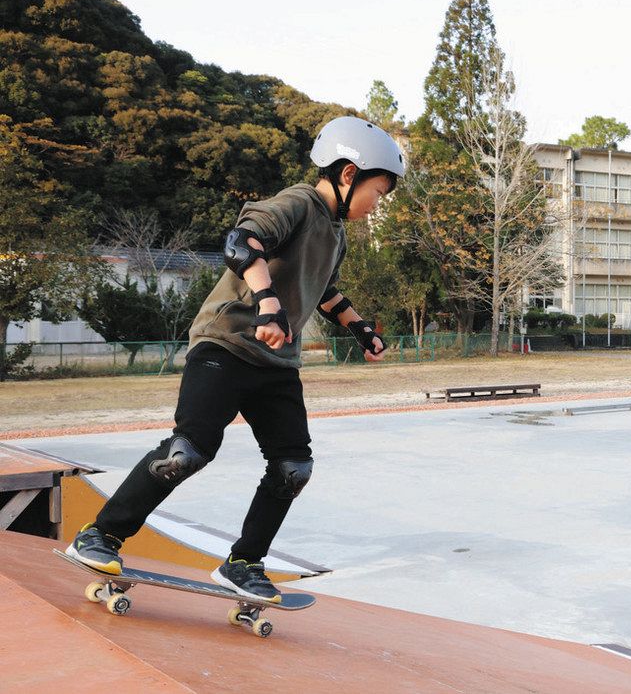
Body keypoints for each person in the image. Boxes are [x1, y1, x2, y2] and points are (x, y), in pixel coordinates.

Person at [65, 117, 403, 602]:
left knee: (293, 467)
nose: (376, 205)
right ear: (349, 175)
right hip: (224, 343)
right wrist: (267, 301)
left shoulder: (335, 232)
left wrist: (360, 327)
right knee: (189, 450)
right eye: (378, 191)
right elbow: (240, 242)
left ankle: (244, 563)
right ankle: (101, 535)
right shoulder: (298, 203)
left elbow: (322, 288)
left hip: (276, 363)